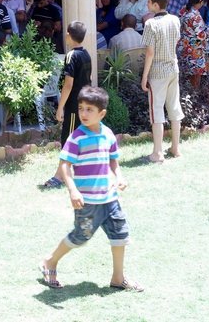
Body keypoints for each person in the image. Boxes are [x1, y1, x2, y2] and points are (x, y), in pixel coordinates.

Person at [40, 86, 139, 292]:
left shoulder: (108, 134)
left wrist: (119, 176)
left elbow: (114, 162)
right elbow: (65, 165)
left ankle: (118, 278)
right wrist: (73, 190)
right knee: (80, 236)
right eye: (81, 108)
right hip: (88, 203)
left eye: (89, 109)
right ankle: (50, 261)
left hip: (110, 199)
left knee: (120, 234)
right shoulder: (76, 137)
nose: (83, 113)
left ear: (101, 113)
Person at [43, 21, 93, 188]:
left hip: (73, 106)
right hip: (84, 104)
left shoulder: (72, 55)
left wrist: (60, 107)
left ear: (68, 36)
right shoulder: (86, 54)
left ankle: (60, 176)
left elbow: (68, 84)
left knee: (68, 140)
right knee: (80, 139)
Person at [140, 0, 182, 163]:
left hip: (157, 71)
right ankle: (175, 148)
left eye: (149, 2)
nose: (147, 5)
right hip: (173, 67)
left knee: (156, 110)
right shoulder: (175, 20)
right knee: (174, 107)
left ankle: (157, 153)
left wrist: (144, 77)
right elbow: (177, 40)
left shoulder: (151, 23)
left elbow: (150, 52)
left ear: (156, 5)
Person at [177, 0, 209, 90]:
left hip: (183, 46)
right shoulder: (195, 16)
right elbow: (200, 35)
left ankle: (185, 97)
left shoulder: (184, 10)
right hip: (195, 48)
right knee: (195, 76)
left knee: (184, 74)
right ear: (200, 2)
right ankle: (193, 99)